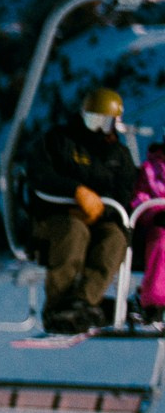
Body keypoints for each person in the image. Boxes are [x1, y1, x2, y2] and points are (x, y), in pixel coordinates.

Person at [26, 86, 138, 334]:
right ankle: (57, 306)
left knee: (114, 239)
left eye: (105, 122)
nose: (98, 128)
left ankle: (83, 301)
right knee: (74, 232)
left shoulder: (118, 156)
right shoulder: (59, 141)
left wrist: (103, 211)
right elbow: (39, 175)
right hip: (54, 219)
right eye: (92, 120)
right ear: (82, 115)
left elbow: (124, 193)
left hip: (100, 220)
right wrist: (74, 191)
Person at [131, 139, 165, 324]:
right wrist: (155, 213)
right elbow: (139, 198)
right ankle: (154, 305)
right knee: (163, 241)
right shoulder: (151, 169)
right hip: (155, 227)